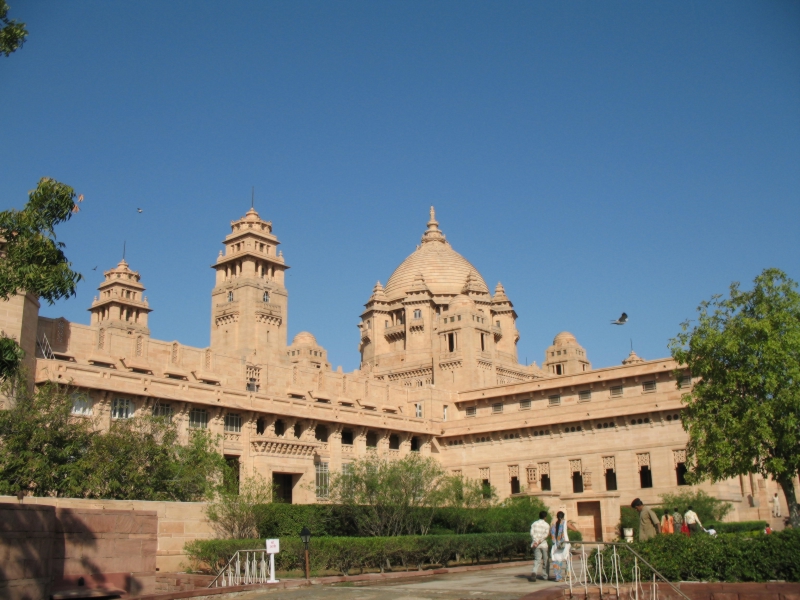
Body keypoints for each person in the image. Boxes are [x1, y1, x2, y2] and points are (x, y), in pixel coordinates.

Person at [550, 511, 570, 582]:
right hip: (564, 544)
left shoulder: (553, 524)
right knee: (568, 558)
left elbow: (551, 534)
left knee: (557, 560)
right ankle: (568, 575)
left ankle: (558, 577)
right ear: (563, 516)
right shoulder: (565, 522)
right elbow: (575, 529)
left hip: (555, 544)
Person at [530, 510, 550, 581]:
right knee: (545, 560)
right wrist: (539, 541)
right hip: (543, 544)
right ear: (545, 517)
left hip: (535, 545)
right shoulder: (546, 525)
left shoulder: (534, 524)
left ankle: (534, 572)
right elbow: (545, 535)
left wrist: (536, 541)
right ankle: (545, 576)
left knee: (537, 559)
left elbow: (532, 533)